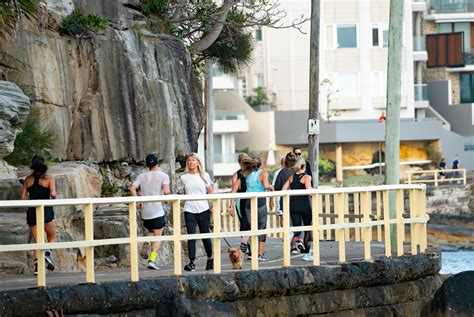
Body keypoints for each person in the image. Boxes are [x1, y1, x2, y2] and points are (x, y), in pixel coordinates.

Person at [130, 154, 170, 270]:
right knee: (158, 236)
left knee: (152, 231)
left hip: (145, 211)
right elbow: (166, 191)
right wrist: (167, 199)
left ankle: (147, 240)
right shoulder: (163, 176)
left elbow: (132, 188)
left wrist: (138, 201)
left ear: (147, 164)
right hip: (157, 210)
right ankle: (152, 260)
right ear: (157, 163)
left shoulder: (142, 176)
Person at [20, 155, 57, 275]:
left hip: (32, 211)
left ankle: (37, 268)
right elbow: (53, 194)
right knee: (51, 236)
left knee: (38, 240)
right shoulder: (49, 178)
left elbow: (23, 198)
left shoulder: (27, 179)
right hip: (46, 210)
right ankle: (47, 253)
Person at [180, 153, 214, 272]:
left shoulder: (205, 176)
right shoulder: (184, 177)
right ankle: (192, 262)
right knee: (191, 236)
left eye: (193, 160)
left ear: (198, 162)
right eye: (189, 160)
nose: (190, 162)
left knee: (205, 236)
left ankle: (210, 258)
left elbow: (211, 192)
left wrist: (213, 208)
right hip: (189, 209)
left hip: (203, 209)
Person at [242, 157, 274, 261]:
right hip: (259, 202)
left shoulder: (247, 173)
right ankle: (260, 253)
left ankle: (252, 252)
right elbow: (265, 185)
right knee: (262, 228)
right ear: (261, 164)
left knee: (253, 227)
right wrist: (271, 187)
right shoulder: (263, 173)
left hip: (248, 203)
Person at [282, 157, 313, 253]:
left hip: (293, 205)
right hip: (304, 205)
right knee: (308, 227)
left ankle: (295, 238)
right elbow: (309, 190)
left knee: (297, 227)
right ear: (304, 166)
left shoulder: (291, 177)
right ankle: (306, 250)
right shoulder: (307, 177)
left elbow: (283, 190)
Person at [274, 152, 298, 253]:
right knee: (297, 223)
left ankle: (291, 244)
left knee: (286, 224)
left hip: (285, 201)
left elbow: (277, 187)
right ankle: (296, 245)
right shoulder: (298, 172)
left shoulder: (282, 172)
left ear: (286, 161)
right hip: (297, 201)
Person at [229, 153, 251, 255]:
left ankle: (246, 243)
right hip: (243, 201)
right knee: (246, 223)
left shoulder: (248, 173)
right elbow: (233, 190)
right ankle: (246, 243)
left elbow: (232, 191)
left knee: (245, 223)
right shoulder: (238, 175)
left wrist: (231, 206)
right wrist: (231, 206)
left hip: (243, 201)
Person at [272, 157, 285, 227]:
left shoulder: (291, 171)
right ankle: (285, 234)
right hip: (279, 197)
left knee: (284, 217)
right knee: (282, 216)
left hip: (284, 197)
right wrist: (271, 199)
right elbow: (273, 186)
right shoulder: (277, 173)